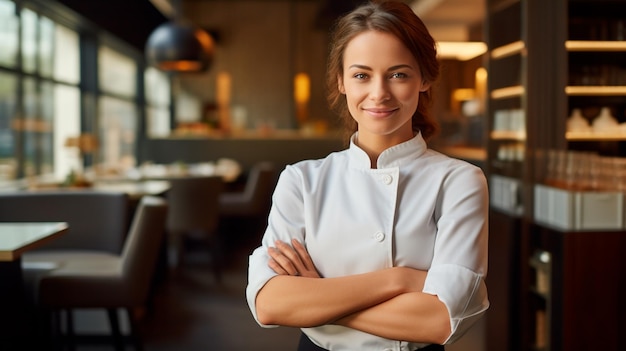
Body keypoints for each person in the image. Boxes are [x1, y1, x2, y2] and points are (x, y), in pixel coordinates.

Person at [246, 1, 489, 350]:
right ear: (341, 82)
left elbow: (440, 320)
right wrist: (399, 280)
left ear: (424, 78)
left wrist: (318, 299)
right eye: (362, 75)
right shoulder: (301, 181)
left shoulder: (459, 181)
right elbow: (269, 303)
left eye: (398, 74)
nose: (379, 93)